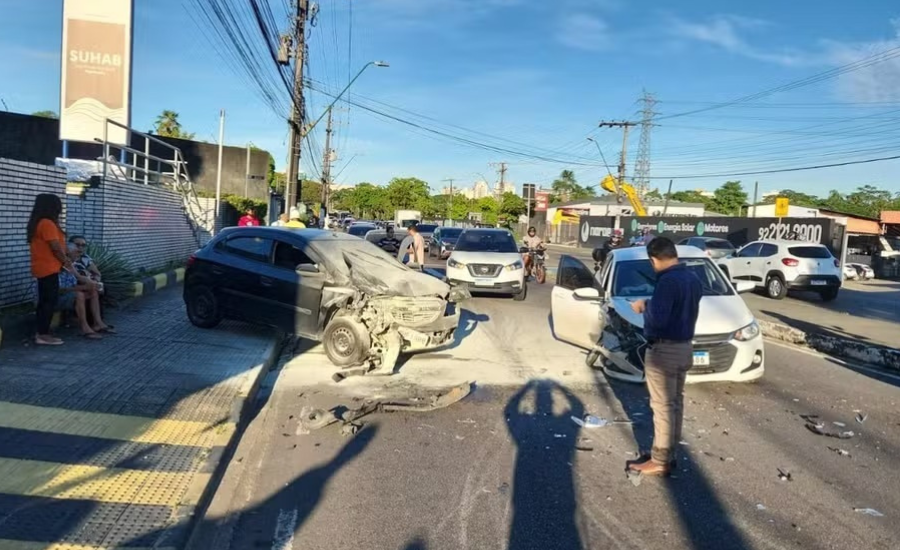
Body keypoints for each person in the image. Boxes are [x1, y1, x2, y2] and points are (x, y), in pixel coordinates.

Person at [627, 237, 702, 477]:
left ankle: (659, 460)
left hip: (664, 351)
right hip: (684, 347)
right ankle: (670, 454)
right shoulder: (692, 278)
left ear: (653, 260)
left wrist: (643, 306)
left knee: (662, 407)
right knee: (675, 404)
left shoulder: (667, 281)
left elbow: (658, 319)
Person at [27, 193, 72, 346]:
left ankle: (42, 332)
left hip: (44, 267)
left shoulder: (39, 222)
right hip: (48, 268)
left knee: (45, 302)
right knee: (48, 302)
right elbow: (55, 247)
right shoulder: (47, 223)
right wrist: (66, 261)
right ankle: (42, 334)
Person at [59, 243, 115, 339]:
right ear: (67, 253)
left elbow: (80, 277)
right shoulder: (58, 267)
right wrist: (84, 287)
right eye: (76, 252)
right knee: (79, 294)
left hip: (68, 294)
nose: (78, 254)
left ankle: (98, 323)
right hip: (54, 297)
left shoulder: (71, 265)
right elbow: (59, 289)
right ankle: (85, 328)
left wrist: (93, 284)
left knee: (93, 291)